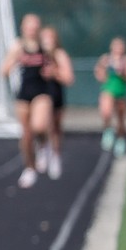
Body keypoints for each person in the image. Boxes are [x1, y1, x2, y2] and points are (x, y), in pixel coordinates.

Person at [1, 13, 53, 188]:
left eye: (35, 26)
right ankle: (30, 168)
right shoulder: (18, 46)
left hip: (42, 92)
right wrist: (16, 61)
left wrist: (51, 70)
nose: (32, 30)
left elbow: (56, 65)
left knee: (38, 125)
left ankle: (45, 144)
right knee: (26, 135)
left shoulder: (45, 46)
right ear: (23, 27)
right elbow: (4, 70)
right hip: (24, 93)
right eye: (29, 26)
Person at [39, 25, 75, 178]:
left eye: (50, 38)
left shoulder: (60, 55)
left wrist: (54, 73)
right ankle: (43, 148)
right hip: (40, 93)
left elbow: (69, 78)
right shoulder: (36, 54)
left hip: (56, 92)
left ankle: (55, 155)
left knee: (55, 127)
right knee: (41, 124)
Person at [94, 36, 126, 157]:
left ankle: (121, 140)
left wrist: (122, 73)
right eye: (116, 46)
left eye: (120, 46)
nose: (118, 49)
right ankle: (108, 130)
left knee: (121, 120)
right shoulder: (105, 59)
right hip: (108, 90)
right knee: (106, 111)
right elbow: (99, 76)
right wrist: (104, 69)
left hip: (121, 92)